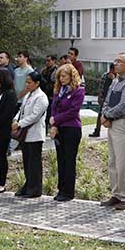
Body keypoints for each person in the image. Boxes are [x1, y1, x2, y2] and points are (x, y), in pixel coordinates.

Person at [99, 53, 125, 211]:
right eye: (115, 60)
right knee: (113, 161)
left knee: (123, 163)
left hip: (124, 125)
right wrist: (104, 115)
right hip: (113, 124)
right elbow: (107, 101)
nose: (115, 63)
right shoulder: (115, 81)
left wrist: (108, 115)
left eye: (119, 61)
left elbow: (124, 106)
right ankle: (117, 194)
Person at [49, 63, 85, 202]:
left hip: (72, 129)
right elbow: (54, 107)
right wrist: (53, 122)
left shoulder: (78, 91)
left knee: (69, 160)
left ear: (72, 76)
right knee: (61, 160)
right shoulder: (59, 90)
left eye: (64, 76)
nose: (62, 79)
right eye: (60, 77)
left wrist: (55, 119)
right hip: (59, 128)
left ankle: (68, 191)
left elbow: (72, 112)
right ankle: (61, 189)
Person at [12, 71, 48, 198]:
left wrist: (20, 124)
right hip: (25, 135)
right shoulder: (29, 95)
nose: (27, 85)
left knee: (34, 163)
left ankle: (35, 188)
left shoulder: (41, 97)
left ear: (37, 83)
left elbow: (34, 116)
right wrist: (16, 119)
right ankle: (28, 185)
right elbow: (21, 109)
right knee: (27, 162)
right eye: (26, 82)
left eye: (29, 82)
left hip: (35, 135)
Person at [90, 64, 115, 138]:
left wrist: (113, 79)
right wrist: (99, 97)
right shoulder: (105, 76)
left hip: (113, 100)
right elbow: (101, 87)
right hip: (104, 98)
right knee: (100, 115)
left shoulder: (117, 78)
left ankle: (112, 132)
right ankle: (97, 131)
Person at [40, 55, 57, 130]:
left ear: (53, 61)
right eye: (46, 61)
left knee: (50, 112)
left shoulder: (56, 71)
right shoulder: (44, 70)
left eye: (49, 61)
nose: (47, 62)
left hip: (52, 95)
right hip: (44, 93)